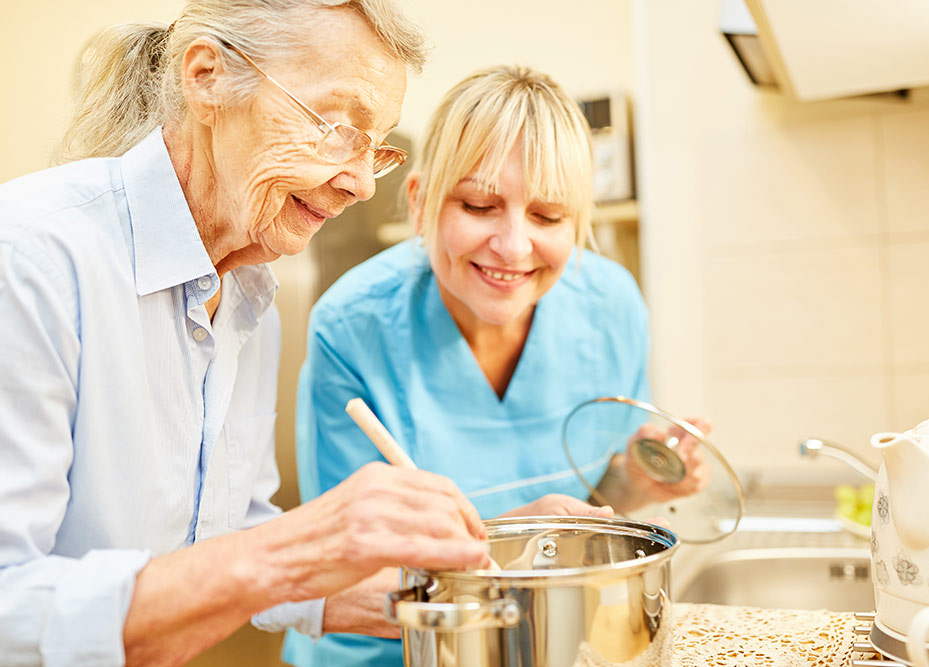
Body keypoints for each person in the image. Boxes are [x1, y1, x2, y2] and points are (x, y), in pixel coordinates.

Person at [0, 2, 497, 666]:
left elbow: (224, 535)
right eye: (335, 125)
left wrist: (430, 600)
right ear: (206, 78)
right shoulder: (30, 258)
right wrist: (299, 547)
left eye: (372, 147)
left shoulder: (248, 291)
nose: (355, 183)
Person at [286, 64, 710, 667]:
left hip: (550, 646)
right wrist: (509, 541)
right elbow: (335, 568)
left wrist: (631, 484)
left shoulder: (611, 308)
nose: (513, 246)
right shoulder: (355, 326)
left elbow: (588, 498)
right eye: (480, 205)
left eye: (547, 216)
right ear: (419, 202)